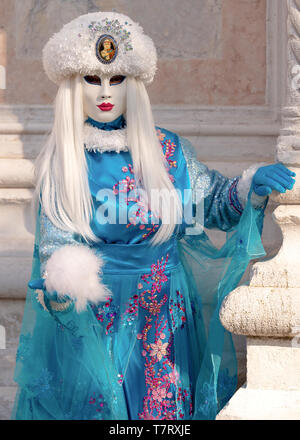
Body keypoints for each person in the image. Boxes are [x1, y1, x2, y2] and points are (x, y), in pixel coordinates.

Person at [11, 11, 296, 421]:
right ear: (74, 87)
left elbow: (210, 203)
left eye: (117, 79)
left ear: (135, 84)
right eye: (92, 80)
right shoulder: (64, 161)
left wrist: (249, 187)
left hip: (165, 314)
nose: (106, 92)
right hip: (98, 317)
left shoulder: (168, 151)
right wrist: (60, 285)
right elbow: (57, 241)